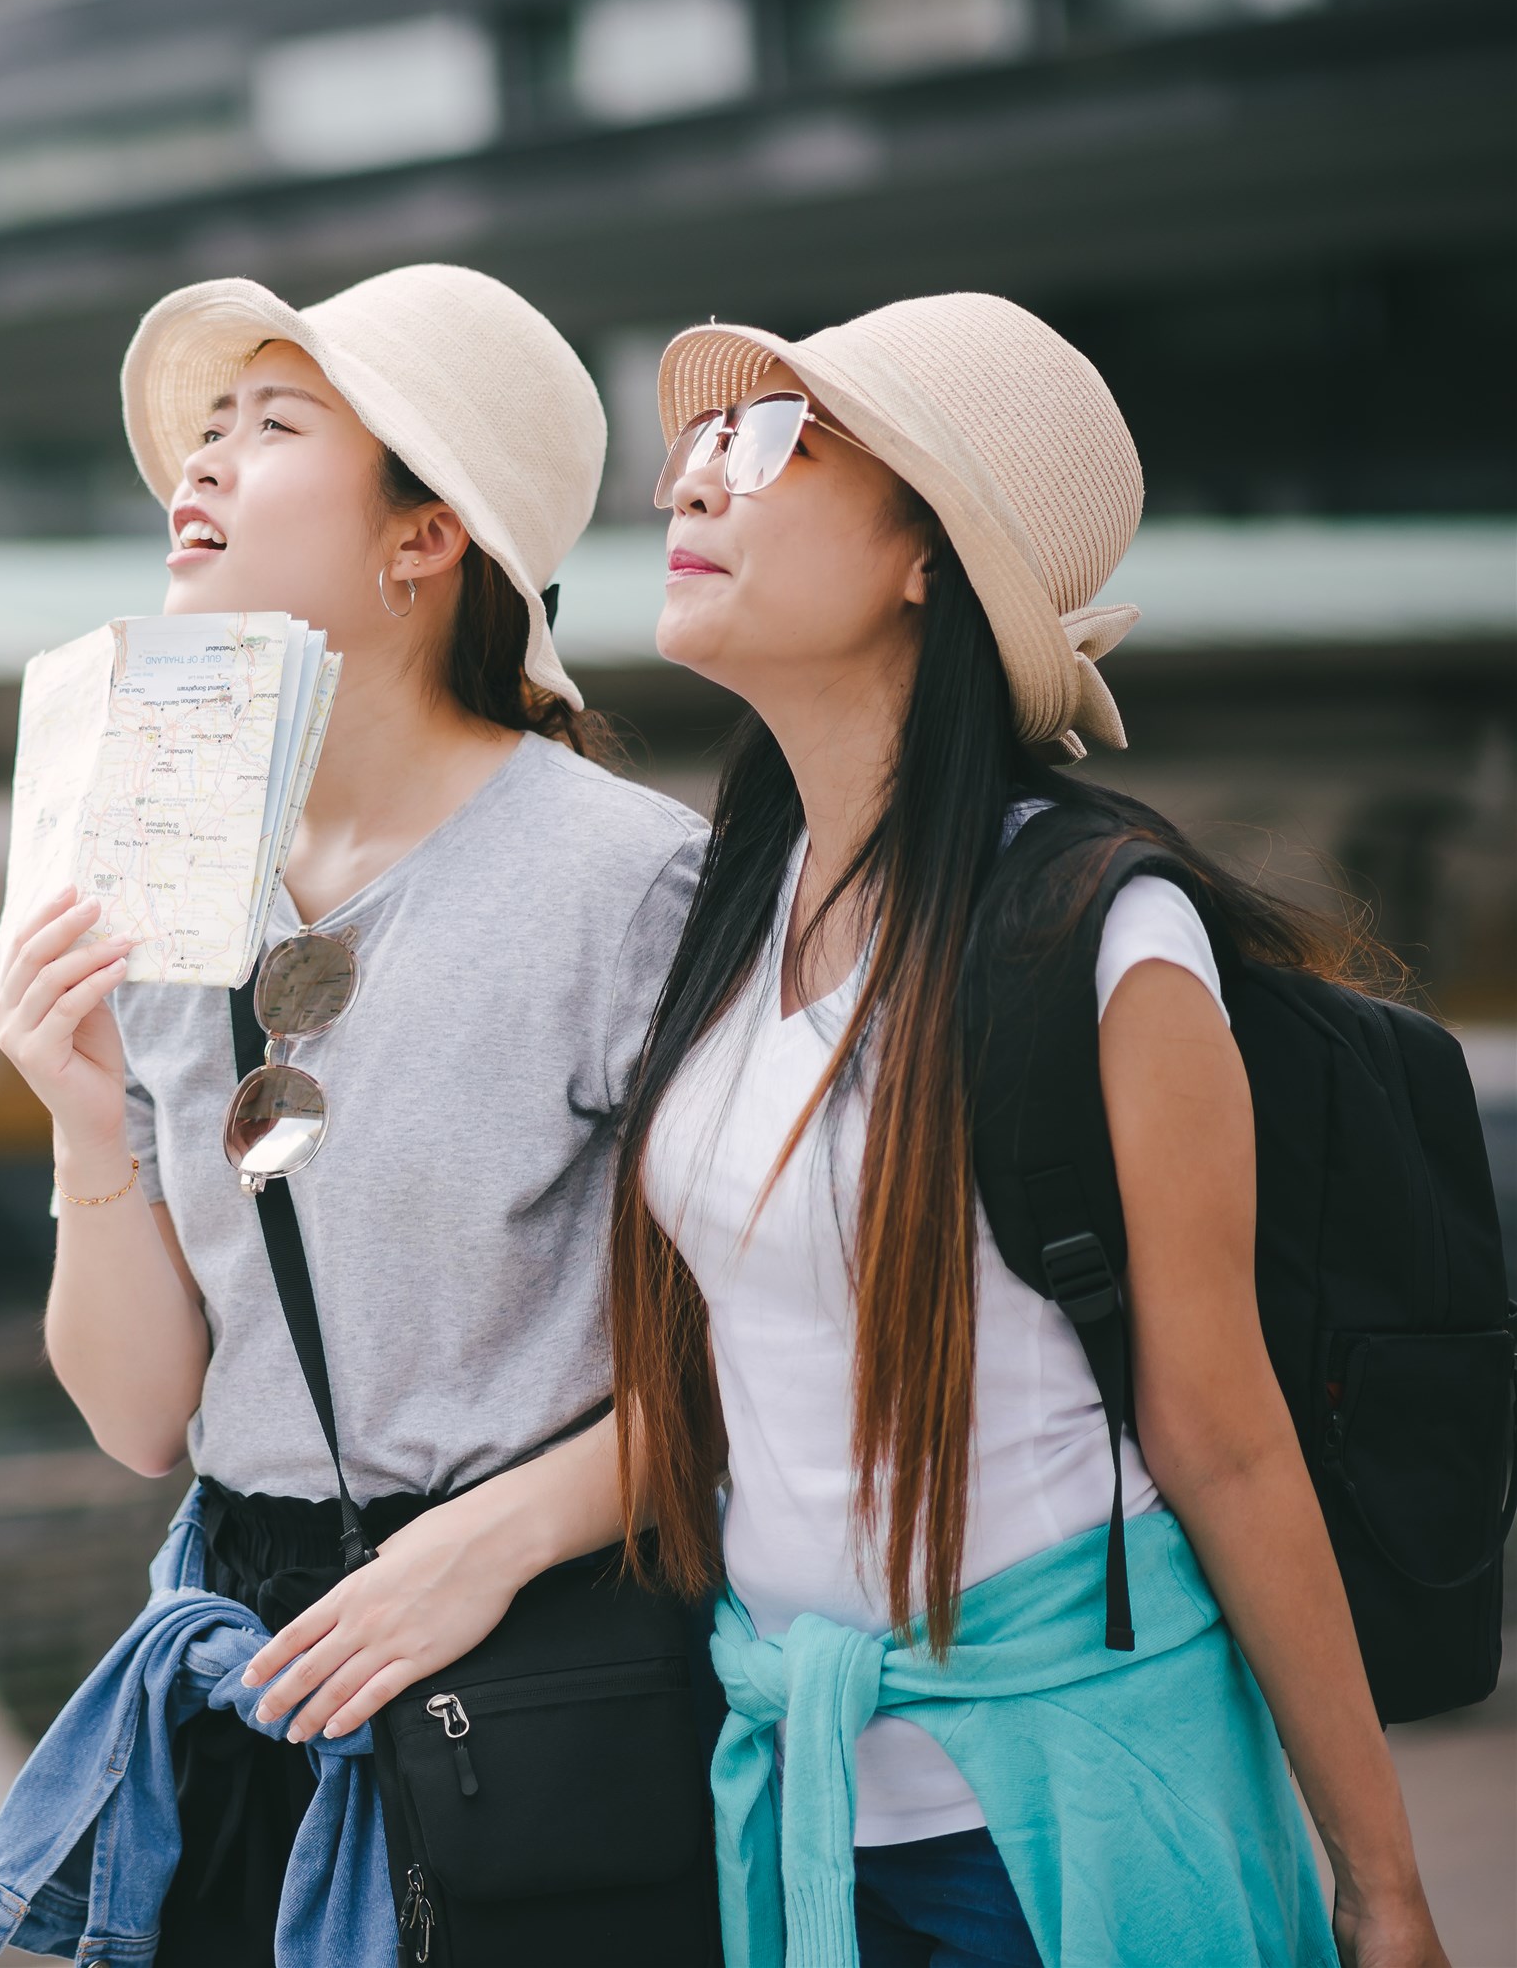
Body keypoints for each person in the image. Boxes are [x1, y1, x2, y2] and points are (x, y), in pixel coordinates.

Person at [608, 291, 1449, 1967]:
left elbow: (1222, 1433)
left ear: (934, 558)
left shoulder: (1098, 937)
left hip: (1066, 1807)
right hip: (805, 1795)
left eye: (772, 439)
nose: (693, 481)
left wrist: (1384, 1889)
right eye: (701, 437)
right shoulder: (732, 908)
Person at [0, 263, 706, 1962]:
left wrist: (487, 1549)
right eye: (206, 428)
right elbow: (145, 1417)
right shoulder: (164, 876)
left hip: (531, 1688)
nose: (206, 465)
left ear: (423, 538)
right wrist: (86, 1121)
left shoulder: (628, 878)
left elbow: (778, 1356)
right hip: (248, 1687)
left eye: (273, 423)